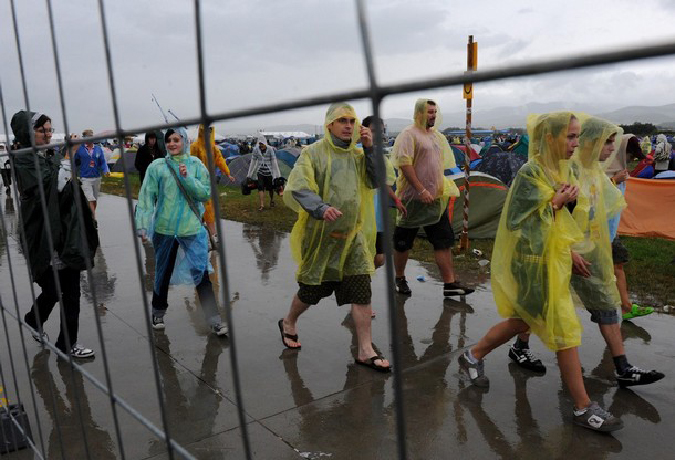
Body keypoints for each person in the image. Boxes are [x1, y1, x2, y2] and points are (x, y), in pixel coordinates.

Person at [459, 112, 623, 432]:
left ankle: (473, 354)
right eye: (570, 137)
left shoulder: (561, 169)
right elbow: (517, 222)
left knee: (524, 321)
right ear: (550, 138)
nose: (576, 143)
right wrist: (555, 204)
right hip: (532, 264)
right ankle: (582, 407)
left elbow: (559, 226)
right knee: (565, 332)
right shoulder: (529, 172)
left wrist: (570, 251)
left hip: (554, 260)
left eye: (578, 137)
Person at [507, 117, 665, 388]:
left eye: (614, 143)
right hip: (560, 251)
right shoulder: (566, 170)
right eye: (607, 142)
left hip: (589, 252)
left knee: (605, 303)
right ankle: (515, 348)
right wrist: (568, 250)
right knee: (539, 307)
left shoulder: (594, 172)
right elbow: (551, 216)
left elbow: (602, 210)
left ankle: (622, 367)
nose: (611, 149)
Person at [278, 102, 390, 372]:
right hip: (321, 238)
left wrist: (370, 148)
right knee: (312, 290)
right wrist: (322, 208)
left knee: (361, 288)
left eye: (352, 121)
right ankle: (288, 321)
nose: (349, 126)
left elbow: (376, 181)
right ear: (329, 125)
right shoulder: (313, 153)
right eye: (342, 121)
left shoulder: (358, 155)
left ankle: (365, 350)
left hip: (354, 237)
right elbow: (298, 186)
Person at [10, 110, 99, 358]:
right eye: (42, 131)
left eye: (50, 130)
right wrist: (67, 155)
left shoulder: (45, 155)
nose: (48, 134)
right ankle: (39, 323)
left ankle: (64, 341)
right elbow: (52, 185)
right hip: (44, 234)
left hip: (63, 233)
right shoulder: (24, 159)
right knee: (55, 289)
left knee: (69, 290)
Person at [135, 127, 228, 336]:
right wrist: (141, 223)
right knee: (163, 272)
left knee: (201, 273)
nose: (172, 144)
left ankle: (214, 320)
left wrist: (187, 178)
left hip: (191, 229)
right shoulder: (157, 167)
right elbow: (146, 196)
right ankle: (158, 312)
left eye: (176, 139)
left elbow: (205, 194)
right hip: (164, 229)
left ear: (184, 141)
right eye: (168, 140)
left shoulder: (196, 165)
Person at [391, 99, 473, 297]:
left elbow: (440, 164)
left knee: (443, 241)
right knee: (403, 243)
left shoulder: (436, 136)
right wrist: (420, 189)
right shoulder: (408, 135)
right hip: (413, 199)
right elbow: (404, 164)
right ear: (419, 113)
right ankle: (400, 278)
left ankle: (450, 284)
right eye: (429, 112)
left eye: (435, 112)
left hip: (436, 198)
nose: (433, 115)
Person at [606, 134, 653, 320]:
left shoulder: (620, 171)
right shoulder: (604, 170)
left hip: (611, 231)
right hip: (596, 233)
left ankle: (625, 307)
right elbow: (591, 197)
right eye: (631, 156)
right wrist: (613, 182)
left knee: (618, 264)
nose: (632, 160)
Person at [189, 124, 234, 248]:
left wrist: (227, 173)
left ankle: (212, 237)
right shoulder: (195, 147)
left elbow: (220, 160)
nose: (208, 133)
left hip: (208, 184)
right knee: (198, 212)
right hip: (197, 184)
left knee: (209, 211)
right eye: (206, 131)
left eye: (210, 131)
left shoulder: (213, 148)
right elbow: (190, 164)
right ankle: (201, 238)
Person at [73, 128, 109, 220]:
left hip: (97, 177)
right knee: (90, 199)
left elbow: (103, 162)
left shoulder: (98, 149)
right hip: (85, 178)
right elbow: (74, 160)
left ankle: (91, 214)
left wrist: (106, 170)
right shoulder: (80, 149)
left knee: (94, 200)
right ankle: (93, 218)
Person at [247, 134, 281, 211]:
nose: (261, 146)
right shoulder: (256, 150)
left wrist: (277, 175)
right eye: (260, 145)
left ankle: (271, 200)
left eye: (262, 145)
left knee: (270, 188)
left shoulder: (270, 149)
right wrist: (249, 174)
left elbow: (274, 162)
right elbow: (253, 162)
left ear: (265, 144)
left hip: (269, 172)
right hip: (260, 171)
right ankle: (262, 204)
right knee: (260, 187)